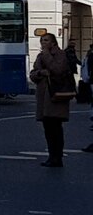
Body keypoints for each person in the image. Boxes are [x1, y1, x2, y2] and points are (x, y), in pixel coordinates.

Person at [30, 32, 72, 167]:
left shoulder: (60, 54)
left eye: (46, 40)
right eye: (42, 40)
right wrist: (39, 73)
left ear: (53, 42)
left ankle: (57, 157)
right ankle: (52, 156)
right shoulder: (40, 56)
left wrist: (47, 54)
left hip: (56, 96)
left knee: (56, 128)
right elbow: (33, 74)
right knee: (48, 128)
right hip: (44, 97)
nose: (43, 42)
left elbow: (57, 69)